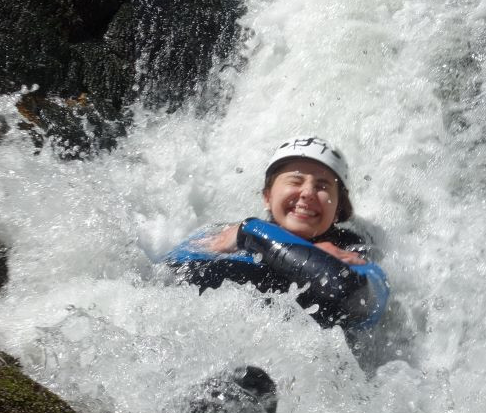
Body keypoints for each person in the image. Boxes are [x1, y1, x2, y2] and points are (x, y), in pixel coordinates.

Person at [165, 135, 389, 331]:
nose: (308, 193)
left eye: (322, 186)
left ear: (339, 207)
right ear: (267, 196)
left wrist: (251, 233)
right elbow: (164, 279)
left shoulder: (354, 252)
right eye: (295, 180)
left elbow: (352, 297)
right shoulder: (225, 235)